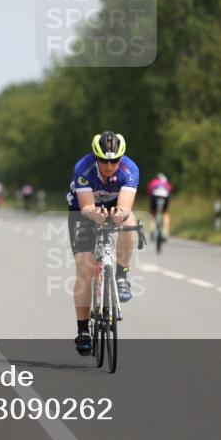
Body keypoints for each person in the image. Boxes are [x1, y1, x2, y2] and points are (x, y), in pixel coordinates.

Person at [66, 130, 140, 356]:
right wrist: (95, 215)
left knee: (130, 221)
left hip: (114, 205)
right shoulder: (84, 167)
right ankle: (83, 331)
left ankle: (121, 276)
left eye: (114, 160)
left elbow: (125, 206)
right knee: (85, 269)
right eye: (104, 161)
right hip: (83, 209)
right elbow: (87, 207)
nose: (110, 166)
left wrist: (119, 215)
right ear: (96, 157)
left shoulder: (130, 169)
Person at [145, 173, 173, 239]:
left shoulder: (153, 182)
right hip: (165, 197)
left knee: (153, 213)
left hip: (155, 196)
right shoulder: (167, 184)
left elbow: (149, 191)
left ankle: (152, 229)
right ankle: (165, 231)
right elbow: (170, 192)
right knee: (165, 213)